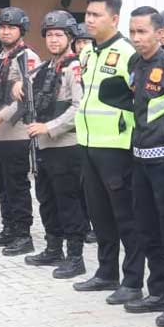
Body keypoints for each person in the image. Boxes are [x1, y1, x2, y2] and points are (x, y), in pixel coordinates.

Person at [98, 6, 164, 327]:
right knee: (147, 229)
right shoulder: (134, 64)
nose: (136, 38)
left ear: (160, 33)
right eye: (133, 32)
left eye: (142, 32)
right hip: (141, 159)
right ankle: (157, 292)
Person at [71, 0, 146, 298]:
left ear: (114, 18)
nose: (89, 19)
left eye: (96, 15)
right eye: (87, 14)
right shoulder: (89, 52)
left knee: (125, 217)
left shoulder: (129, 54)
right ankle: (105, 273)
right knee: (99, 215)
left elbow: (139, 100)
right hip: (89, 144)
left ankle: (132, 282)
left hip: (117, 146)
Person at [23, 10, 87, 279]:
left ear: (70, 37)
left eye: (59, 35)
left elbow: (79, 106)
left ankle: (75, 257)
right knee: (46, 199)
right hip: (44, 147)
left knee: (68, 201)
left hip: (67, 146)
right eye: (49, 35)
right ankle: (53, 247)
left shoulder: (75, 68)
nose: (53, 40)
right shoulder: (45, 68)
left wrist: (49, 127)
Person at [0, 7, 41, 256]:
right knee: (1, 184)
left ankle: (23, 234)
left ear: (21, 30)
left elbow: (27, 96)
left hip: (15, 132)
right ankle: (8, 228)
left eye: (11, 27)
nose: (6, 31)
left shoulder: (28, 58)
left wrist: (1, 116)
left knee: (16, 184)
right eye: (3, 27)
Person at [72, 22, 98, 244]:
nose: (81, 46)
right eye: (79, 42)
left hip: (98, 137)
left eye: (85, 41)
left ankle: (96, 226)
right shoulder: (73, 65)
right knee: (79, 186)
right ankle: (84, 224)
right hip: (77, 136)